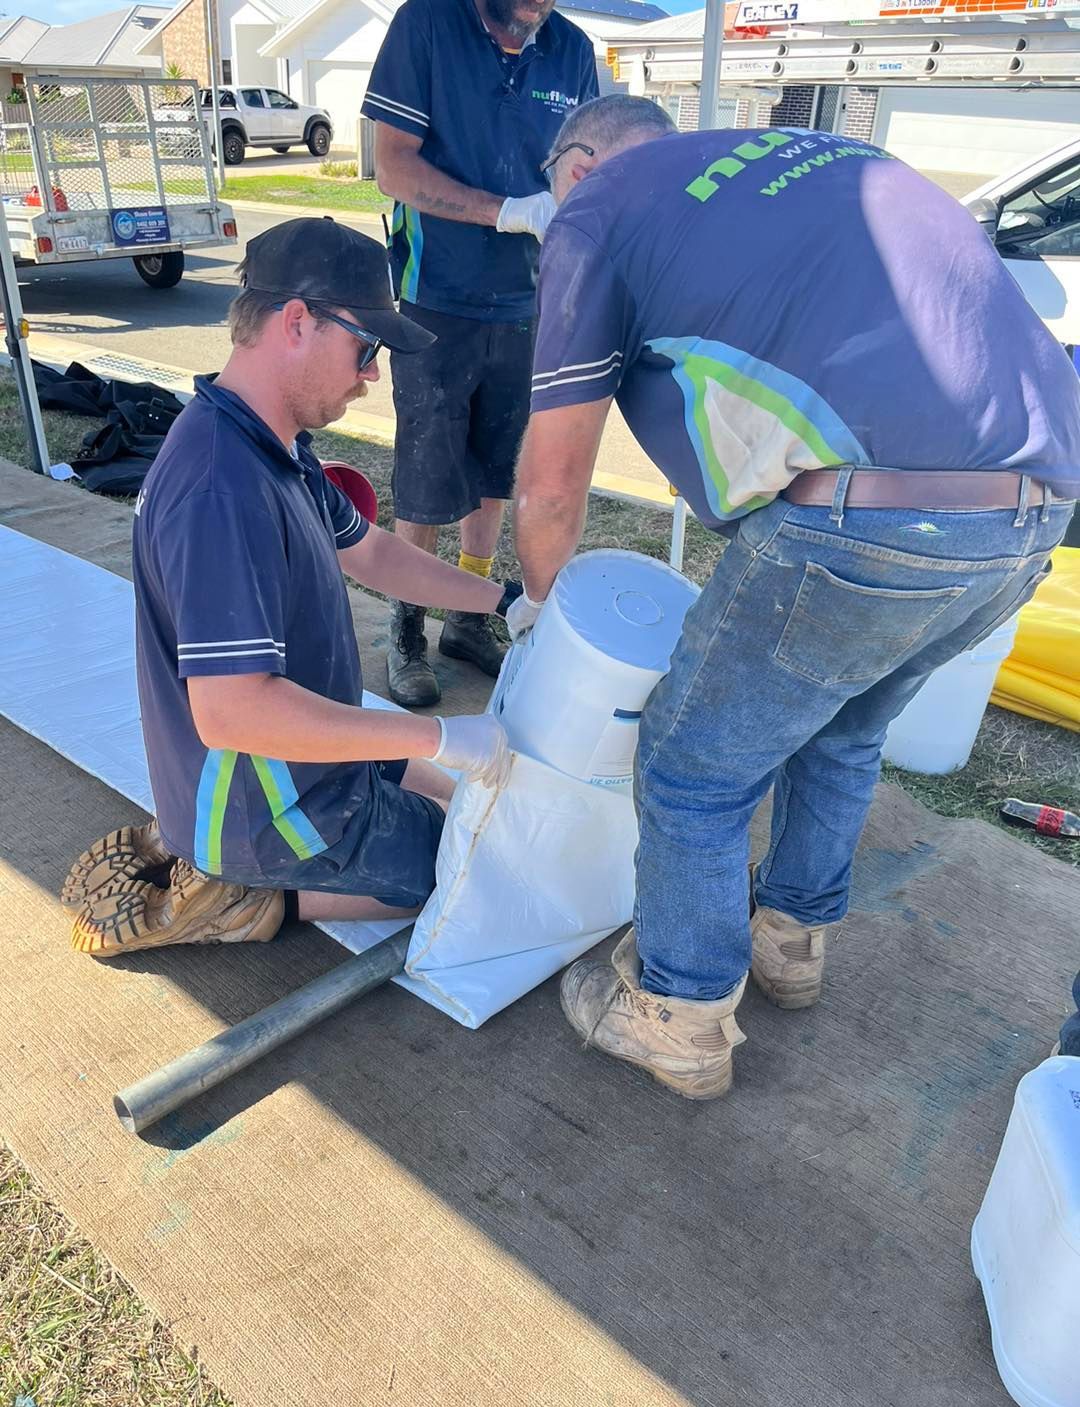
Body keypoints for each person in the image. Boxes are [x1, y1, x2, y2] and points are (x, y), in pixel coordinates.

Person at [509, 96, 1080, 1100]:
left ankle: (680, 1015)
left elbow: (553, 481)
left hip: (866, 521)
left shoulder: (598, 212)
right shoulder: (827, 154)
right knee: (842, 731)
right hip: (1032, 520)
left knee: (693, 768)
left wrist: (546, 619)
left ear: (580, 164)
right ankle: (791, 944)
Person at [65, 218, 514, 958]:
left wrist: (502, 601)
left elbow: (370, 552)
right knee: (481, 866)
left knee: (469, 795)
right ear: (298, 323)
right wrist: (436, 733)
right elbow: (234, 711)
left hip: (294, 760)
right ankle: (241, 895)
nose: (372, 374)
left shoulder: (266, 441)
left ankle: (207, 848)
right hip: (272, 802)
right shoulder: (221, 489)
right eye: (366, 348)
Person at [360, 0, 598, 707]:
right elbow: (393, 170)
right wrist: (506, 211)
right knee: (430, 472)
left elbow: (586, 162)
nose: (538, 6)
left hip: (530, 300)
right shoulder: (426, 26)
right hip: (439, 293)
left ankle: (467, 615)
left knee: (499, 466)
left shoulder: (571, 49)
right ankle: (407, 621)